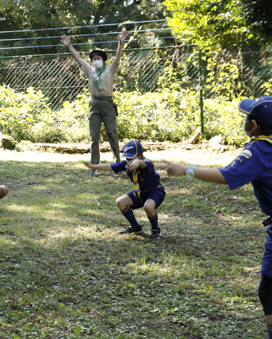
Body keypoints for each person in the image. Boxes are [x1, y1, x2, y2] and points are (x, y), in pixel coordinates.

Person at [163, 96, 272, 338]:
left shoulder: (258, 152)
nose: (245, 122)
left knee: (269, 292)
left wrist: (186, 169)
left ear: (254, 126)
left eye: (247, 119)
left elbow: (226, 176)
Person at [61, 29, 129, 174]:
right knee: (94, 135)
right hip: (94, 105)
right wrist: (69, 46)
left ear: (103, 60)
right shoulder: (90, 70)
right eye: (94, 59)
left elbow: (117, 59)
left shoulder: (109, 70)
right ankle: (95, 164)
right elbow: (78, 59)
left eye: (99, 58)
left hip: (107, 104)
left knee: (112, 133)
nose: (96, 60)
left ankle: (117, 162)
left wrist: (120, 43)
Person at [83, 140, 165, 239]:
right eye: (127, 157)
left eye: (131, 157)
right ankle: (136, 227)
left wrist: (138, 162)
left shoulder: (146, 162)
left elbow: (144, 164)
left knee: (148, 206)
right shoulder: (126, 164)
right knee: (120, 202)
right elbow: (109, 167)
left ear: (140, 155)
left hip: (155, 191)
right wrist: (92, 166)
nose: (128, 159)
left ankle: (155, 229)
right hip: (139, 193)